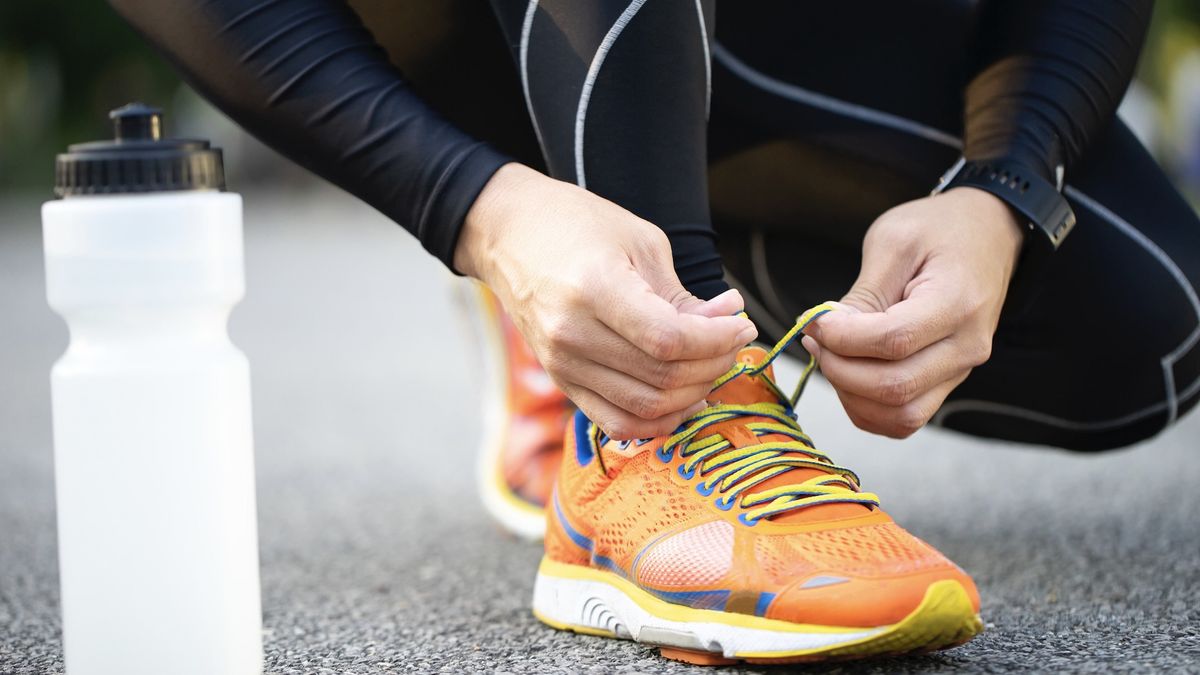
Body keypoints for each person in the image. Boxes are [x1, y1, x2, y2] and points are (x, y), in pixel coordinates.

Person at [110, 0, 1198, 664]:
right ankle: (649, 415)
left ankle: (624, 294)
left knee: (1154, 324)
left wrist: (1001, 191)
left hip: (796, 42)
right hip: (453, 28)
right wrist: (477, 210)